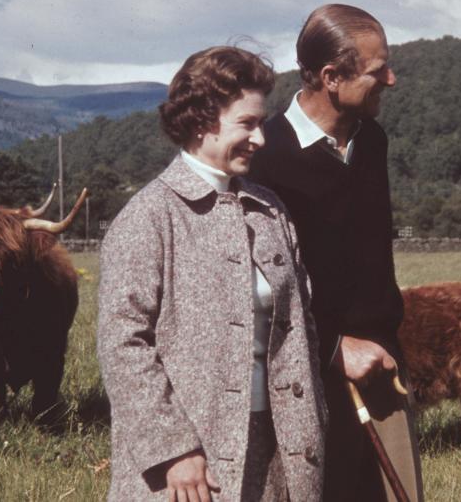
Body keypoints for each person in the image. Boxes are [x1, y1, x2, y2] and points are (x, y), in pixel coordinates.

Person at [97, 46, 327, 502]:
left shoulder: (270, 210)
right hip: (190, 465)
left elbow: (305, 328)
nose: (260, 139)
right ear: (202, 120)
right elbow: (122, 345)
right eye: (248, 123)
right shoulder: (148, 217)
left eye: (260, 123)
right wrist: (173, 450)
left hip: (283, 449)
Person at [248, 4, 424, 502]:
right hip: (302, 375)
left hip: (382, 365)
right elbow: (257, 287)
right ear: (331, 76)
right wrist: (332, 347)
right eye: (377, 70)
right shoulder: (265, 158)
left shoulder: (373, 142)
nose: (391, 79)